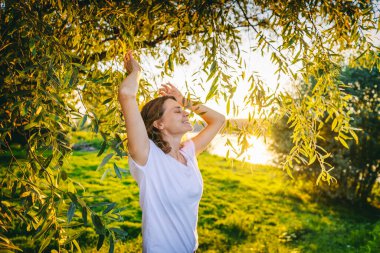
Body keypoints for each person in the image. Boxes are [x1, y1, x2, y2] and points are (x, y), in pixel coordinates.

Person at [118, 50, 225, 253]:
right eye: (177, 111)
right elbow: (126, 94)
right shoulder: (148, 157)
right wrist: (136, 71)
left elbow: (219, 120)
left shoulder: (187, 153)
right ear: (159, 123)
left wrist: (185, 102)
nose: (185, 114)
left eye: (183, 110)